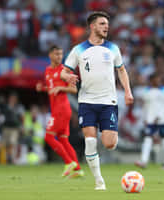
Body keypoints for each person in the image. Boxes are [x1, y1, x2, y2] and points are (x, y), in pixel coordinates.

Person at [61, 11, 134, 190]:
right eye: (102, 24)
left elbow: (122, 70)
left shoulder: (113, 49)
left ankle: (99, 162)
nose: (106, 27)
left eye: (107, 24)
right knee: (91, 140)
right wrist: (67, 77)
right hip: (87, 102)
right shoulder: (78, 50)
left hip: (108, 101)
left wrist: (128, 92)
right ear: (92, 26)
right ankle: (99, 181)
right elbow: (63, 71)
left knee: (110, 143)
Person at [36, 45, 84, 178]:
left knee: (49, 137)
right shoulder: (47, 71)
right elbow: (52, 88)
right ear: (50, 55)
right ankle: (78, 169)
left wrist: (60, 89)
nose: (59, 57)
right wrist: (44, 88)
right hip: (56, 109)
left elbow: (74, 89)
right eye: (56, 54)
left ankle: (68, 162)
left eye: (61, 54)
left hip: (62, 109)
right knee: (63, 140)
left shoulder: (64, 70)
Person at [134, 73, 164, 169]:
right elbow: (146, 106)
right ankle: (144, 161)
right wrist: (145, 118)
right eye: (156, 79)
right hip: (150, 120)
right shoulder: (147, 91)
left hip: (162, 119)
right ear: (151, 80)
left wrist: (158, 116)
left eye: (159, 79)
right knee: (147, 138)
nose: (157, 81)